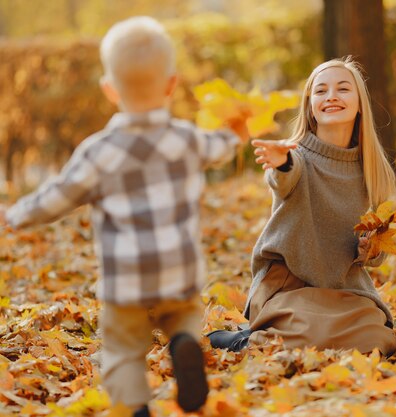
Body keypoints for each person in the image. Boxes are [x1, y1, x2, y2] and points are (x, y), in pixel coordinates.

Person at [0, 16, 248, 417]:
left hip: (125, 283)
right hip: (179, 276)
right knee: (182, 316)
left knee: (121, 350)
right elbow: (217, 146)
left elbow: (57, 198)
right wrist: (235, 133)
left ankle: (134, 406)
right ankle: (183, 340)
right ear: (171, 86)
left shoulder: (100, 152)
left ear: (109, 90)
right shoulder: (185, 139)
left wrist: (14, 215)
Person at [209, 57, 396, 356]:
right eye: (321, 91)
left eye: (343, 89)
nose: (331, 96)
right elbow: (286, 176)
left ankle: (272, 336)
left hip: (344, 291)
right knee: (309, 334)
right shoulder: (296, 156)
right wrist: (281, 163)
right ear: (310, 107)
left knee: (379, 340)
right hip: (288, 287)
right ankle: (245, 341)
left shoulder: (373, 171)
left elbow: (378, 253)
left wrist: (371, 250)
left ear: (360, 103)